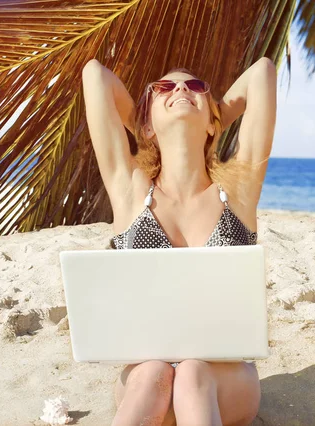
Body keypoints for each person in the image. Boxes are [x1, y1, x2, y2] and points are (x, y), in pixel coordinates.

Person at [81, 56, 276, 426]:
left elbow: (262, 72)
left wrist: (209, 118)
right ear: (146, 124)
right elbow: (95, 75)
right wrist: (150, 121)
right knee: (155, 370)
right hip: (146, 379)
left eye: (195, 86)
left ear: (213, 122)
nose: (182, 89)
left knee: (192, 371)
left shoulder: (238, 190)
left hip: (223, 381)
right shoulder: (129, 189)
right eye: (164, 88)